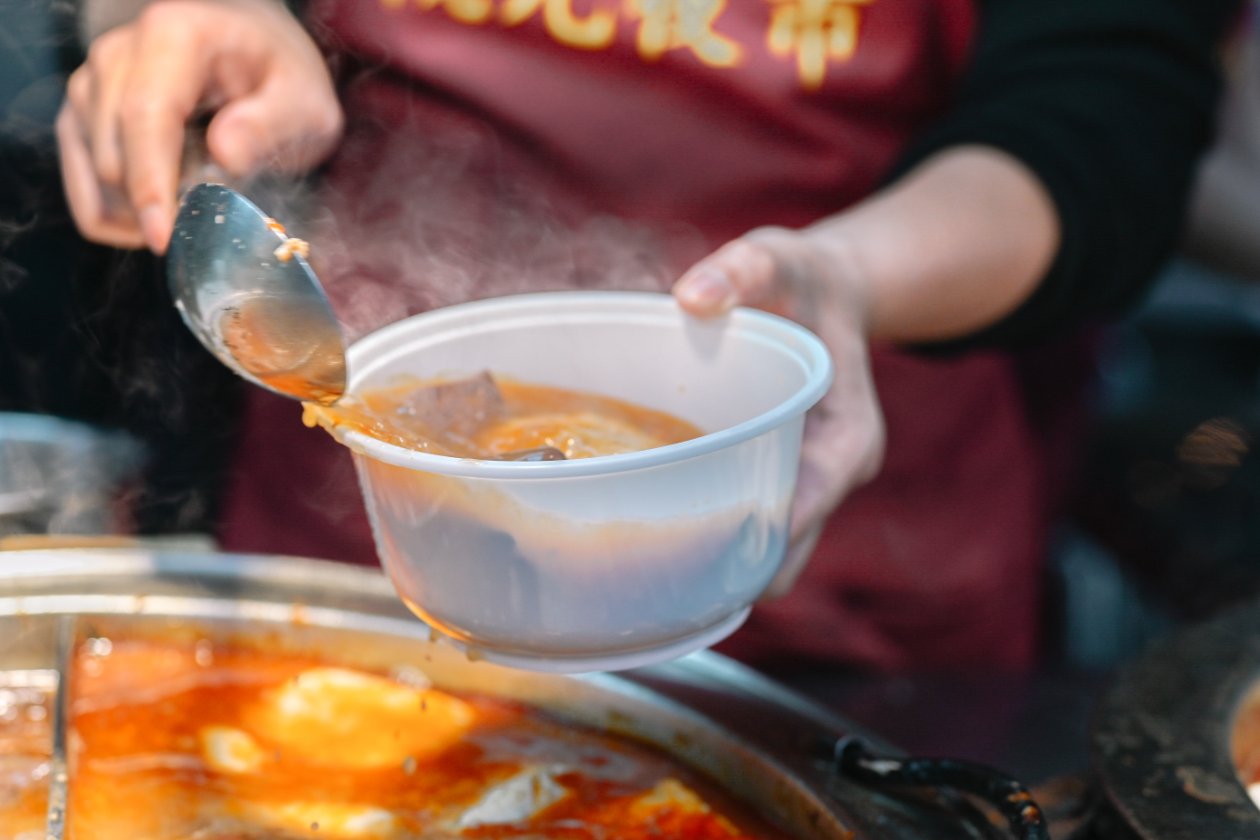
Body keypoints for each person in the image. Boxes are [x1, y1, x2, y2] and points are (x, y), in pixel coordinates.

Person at [56, 0, 1239, 671]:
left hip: (841, 584)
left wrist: (844, 276)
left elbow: (1106, 113)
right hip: (347, 555)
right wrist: (172, 29)